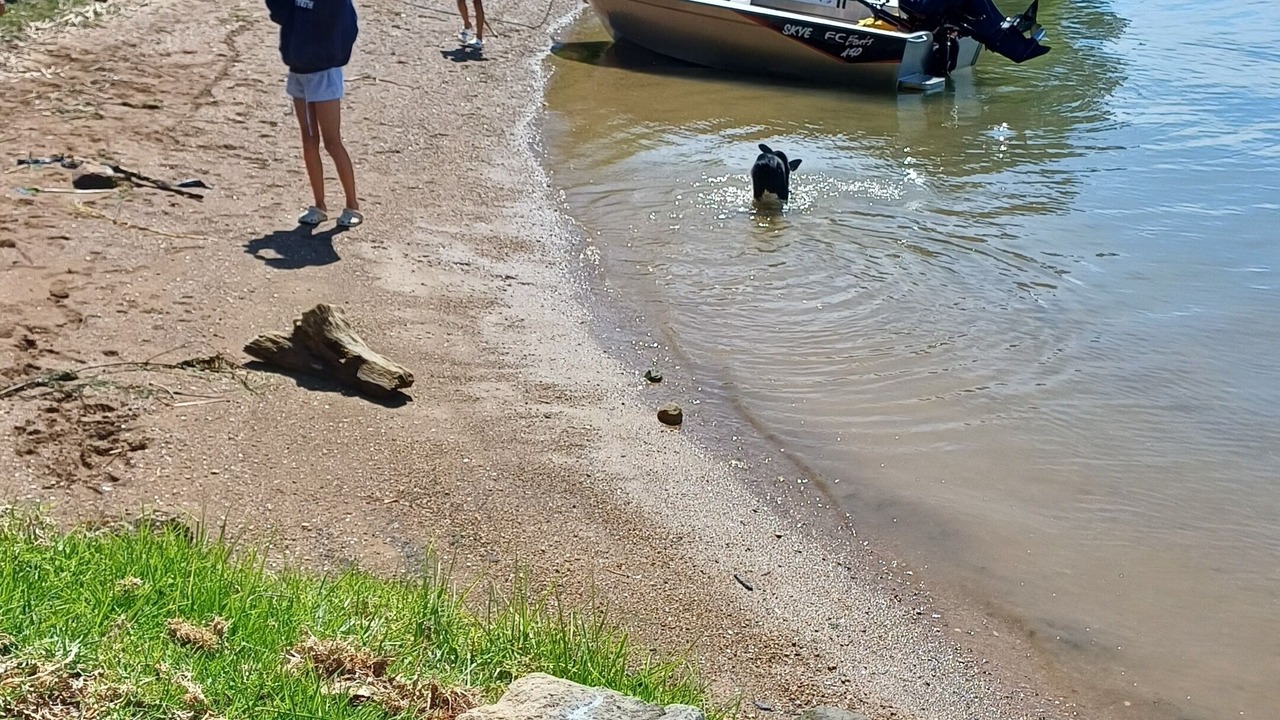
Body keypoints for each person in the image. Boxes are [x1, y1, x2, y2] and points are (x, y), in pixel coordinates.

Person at [265, 0, 364, 228]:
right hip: (299, 70)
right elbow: (280, 13)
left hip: (324, 72)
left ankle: (352, 205)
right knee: (309, 142)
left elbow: (343, 25)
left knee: (332, 143)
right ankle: (319, 205)